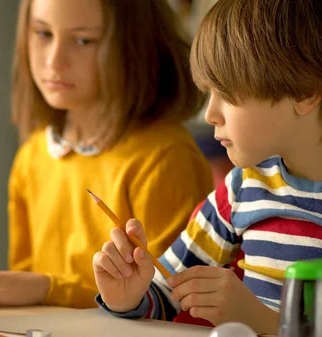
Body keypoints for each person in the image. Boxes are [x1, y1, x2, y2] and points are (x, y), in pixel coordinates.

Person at [0, 0, 213, 309]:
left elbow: (170, 298)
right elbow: (32, 284)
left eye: (83, 40)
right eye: (44, 34)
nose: (54, 61)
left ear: (135, 45)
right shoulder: (33, 155)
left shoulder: (164, 156)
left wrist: (45, 287)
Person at [93, 0, 322, 334]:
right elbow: (167, 293)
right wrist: (129, 296)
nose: (210, 114)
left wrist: (259, 320)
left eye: (226, 93)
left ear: (304, 93)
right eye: (208, 93)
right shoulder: (241, 188)